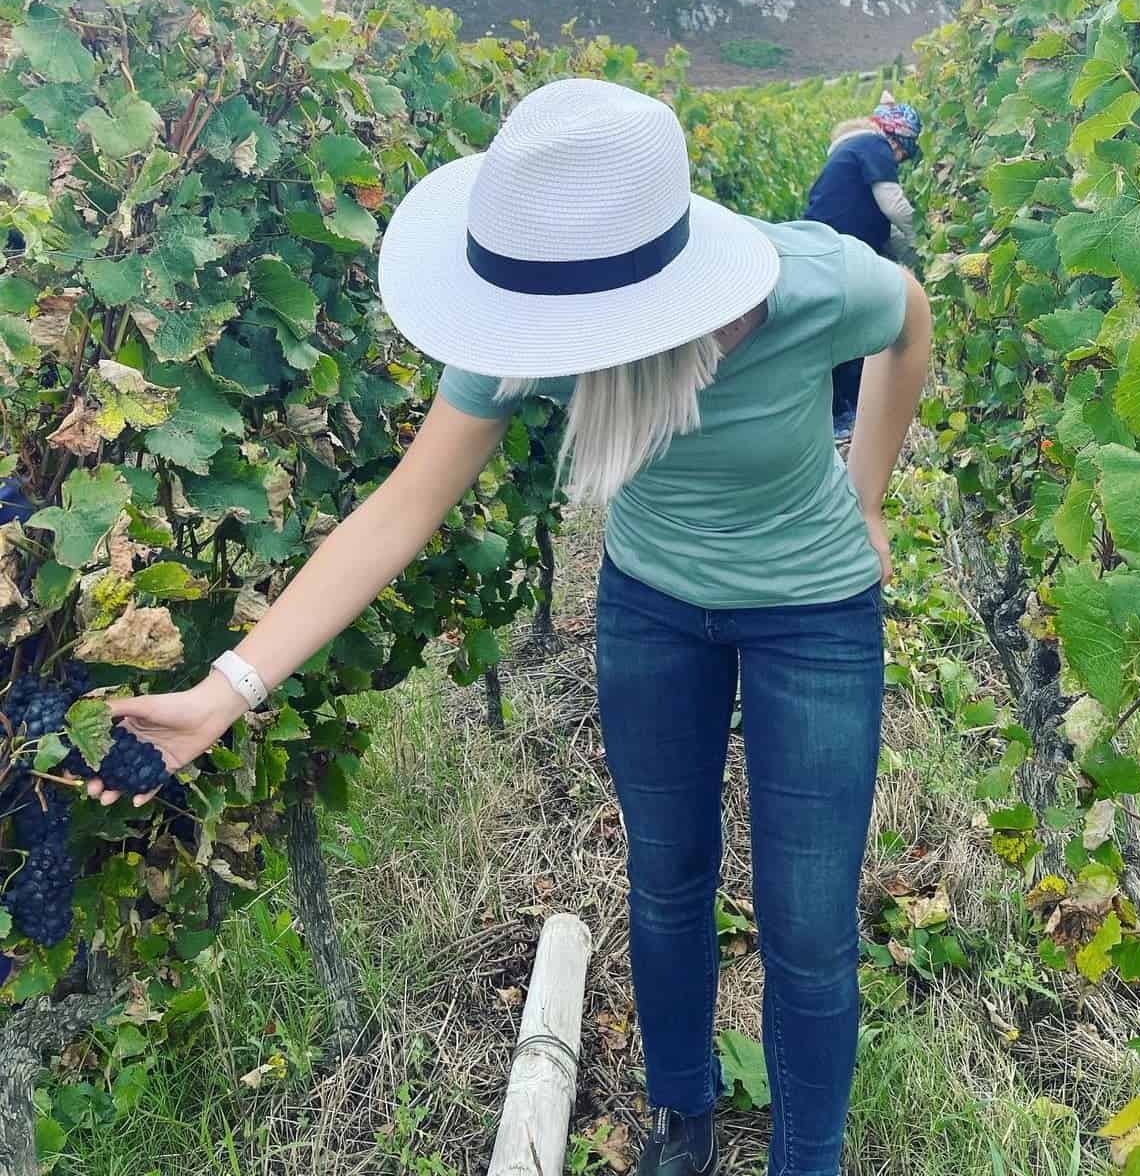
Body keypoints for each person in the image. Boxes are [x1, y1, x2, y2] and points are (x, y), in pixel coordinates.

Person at [86, 79, 931, 1176]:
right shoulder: (540, 306)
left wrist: (864, 499)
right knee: (668, 878)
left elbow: (906, 323)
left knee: (808, 927)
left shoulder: (815, 280)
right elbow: (399, 508)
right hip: (651, 607)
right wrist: (225, 689)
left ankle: (804, 1162)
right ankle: (684, 1117)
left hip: (814, 614)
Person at [803, 91, 923, 443]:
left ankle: (839, 412)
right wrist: (923, 236)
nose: (899, 159)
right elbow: (894, 206)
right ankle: (846, 415)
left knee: (840, 328)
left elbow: (883, 231)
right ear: (896, 138)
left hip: (826, 248)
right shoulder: (875, 146)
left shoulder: (852, 153)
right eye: (904, 150)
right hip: (839, 253)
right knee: (854, 329)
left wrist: (917, 259)